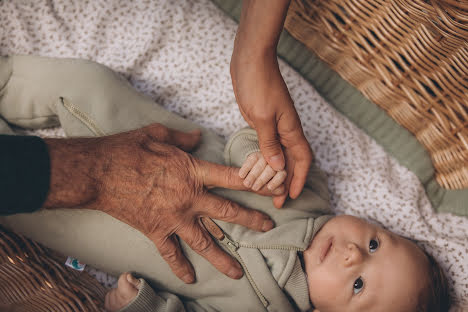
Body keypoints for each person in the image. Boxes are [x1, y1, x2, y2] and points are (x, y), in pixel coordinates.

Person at [0, 55, 450, 312]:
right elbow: (251, 143)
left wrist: (142, 306)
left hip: (107, 230)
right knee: (84, 82)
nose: (353, 255)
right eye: (374, 244)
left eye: (357, 287)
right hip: (151, 141)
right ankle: (8, 84)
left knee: (29, 211)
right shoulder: (305, 192)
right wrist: (261, 160)